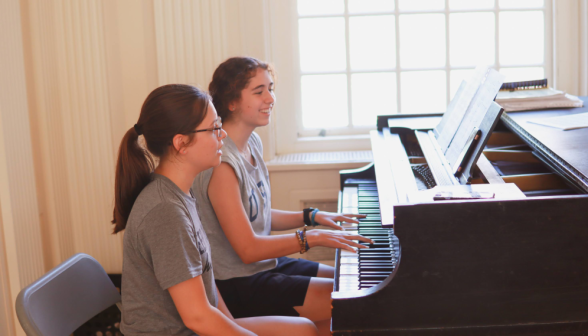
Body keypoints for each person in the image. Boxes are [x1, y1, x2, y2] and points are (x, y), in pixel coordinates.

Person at [112, 84, 318, 336]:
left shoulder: (182, 191)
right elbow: (198, 317)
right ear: (181, 143)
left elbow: (206, 285)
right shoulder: (165, 211)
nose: (222, 136)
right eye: (214, 129)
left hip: (197, 326)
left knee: (305, 329)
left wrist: (233, 324)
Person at [193, 57, 373, 335]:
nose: (270, 98)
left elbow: (258, 217)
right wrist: (309, 237)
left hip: (262, 267)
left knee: (349, 283)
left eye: (271, 88)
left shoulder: (251, 141)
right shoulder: (223, 164)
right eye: (259, 91)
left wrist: (312, 217)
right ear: (231, 102)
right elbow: (248, 248)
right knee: (349, 298)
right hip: (238, 282)